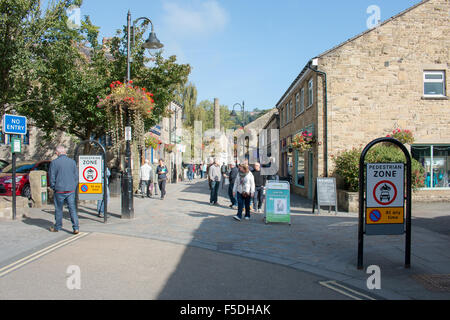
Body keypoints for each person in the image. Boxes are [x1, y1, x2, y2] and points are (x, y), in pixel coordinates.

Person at [48, 146, 79, 234]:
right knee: (72, 209)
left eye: (56, 152)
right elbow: (76, 177)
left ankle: (58, 227)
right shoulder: (72, 162)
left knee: (58, 209)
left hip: (59, 190)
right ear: (65, 152)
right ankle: (76, 227)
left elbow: (52, 177)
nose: (56, 154)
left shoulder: (54, 163)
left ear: (58, 152)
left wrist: (54, 187)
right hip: (70, 190)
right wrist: (73, 186)